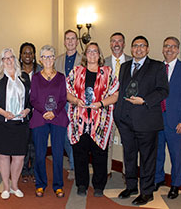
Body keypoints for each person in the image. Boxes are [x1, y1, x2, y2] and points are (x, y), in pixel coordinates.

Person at [114, 36, 169, 205]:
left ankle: (146, 192)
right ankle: (131, 186)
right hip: (126, 121)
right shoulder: (124, 67)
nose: (138, 49)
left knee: (147, 158)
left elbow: (163, 91)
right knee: (129, 156)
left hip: (146, 120)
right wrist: (119, 115)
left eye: (142, 46)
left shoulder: (157, 66)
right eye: (135, 46)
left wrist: (144, 100)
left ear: (148, 49)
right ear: (131, 49)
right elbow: (121, 90)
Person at [67, 42, 119, 197]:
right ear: (85, 55)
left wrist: (101, 104)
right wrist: (76, 101)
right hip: (79, 121)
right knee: (80, 154)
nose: (92, 54)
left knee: (100, 154)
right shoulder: (76, 71)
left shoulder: (108, 72)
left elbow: (115, 95)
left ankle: (98, 185)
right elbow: (66, 92)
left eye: (95, 51)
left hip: (100, 122)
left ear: (99, 55)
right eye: (89, 51)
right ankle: (81, 184)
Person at [0, 48, 31, 200]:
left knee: (19, 157)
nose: (9, 60)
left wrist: (28, 109)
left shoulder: (24, 77)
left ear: (15, 59)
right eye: (5, 58)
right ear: (1, 61)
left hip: (20, 124)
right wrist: (3, 112)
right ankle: (5, 186)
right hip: (2, 123)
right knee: (3, 156)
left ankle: (15, 185)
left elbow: (31, 99)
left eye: (11, 57)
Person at [154, 36, 181, 199]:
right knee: (157, 153)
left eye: (172, 46)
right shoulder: (157, 68)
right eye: (166, 46)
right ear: (163, 49)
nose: (169, 49)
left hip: (176, 121)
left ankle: (176, 184)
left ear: (178, 50)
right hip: (157, 119)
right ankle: (158, 179)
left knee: (176, 155)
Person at [30, 45, 69, 198]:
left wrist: (54, 112)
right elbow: (33, 99)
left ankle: (58, 185)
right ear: (40, 59)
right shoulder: (35, 77)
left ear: (54, 58)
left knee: (58, 154)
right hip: (40, 118)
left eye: (50, 56)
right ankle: (40, 184)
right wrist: (44, 112)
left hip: (58, 117)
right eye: (44, 57)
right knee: (40, 154)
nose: (47, 59)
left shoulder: (61, 77)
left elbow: (63, 98)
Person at [55, 29, 82, 180]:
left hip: (78, 104)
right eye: (67, 39)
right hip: (61, 104)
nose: (70, 41)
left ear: (77, 41)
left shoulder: (84, 59)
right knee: (65, 135)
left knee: (76, 136)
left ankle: (74, 166)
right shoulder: (58, 60)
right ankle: (73, 162)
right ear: (64, 42)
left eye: (73, 38)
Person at [104, 32, 132, 178]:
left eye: (119, 41)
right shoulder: (103, 62)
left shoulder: (132, 62)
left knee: (128, 142)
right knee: (107, 141)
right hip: (108, 108)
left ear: (124, 44)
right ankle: (107, 170)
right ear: (110, 44)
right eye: (113, 41)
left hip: (126, 109)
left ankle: (127, 173)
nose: (116, 44)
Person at [18, 42, 42, 183]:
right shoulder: (15, 71)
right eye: (25, 53)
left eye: (30, 53)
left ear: (34, 55)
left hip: (37, 112)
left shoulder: (41, 70)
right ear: (20, 55)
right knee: (23, 143)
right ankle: (23, 170)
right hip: (20, 112)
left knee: (35, 143)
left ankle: (33, 169)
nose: (28, 55)